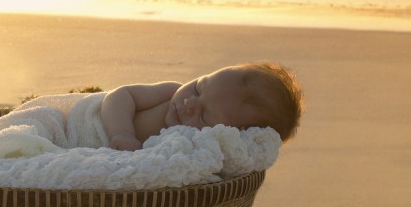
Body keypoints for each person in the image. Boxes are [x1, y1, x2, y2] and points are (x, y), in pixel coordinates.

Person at [100, 62, 304, 151]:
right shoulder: (170, 92)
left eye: (205, 116)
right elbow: (120, 96)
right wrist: (122, 133)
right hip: (86, 120)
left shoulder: (198, 149)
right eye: (197, 88)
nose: (188, 104)